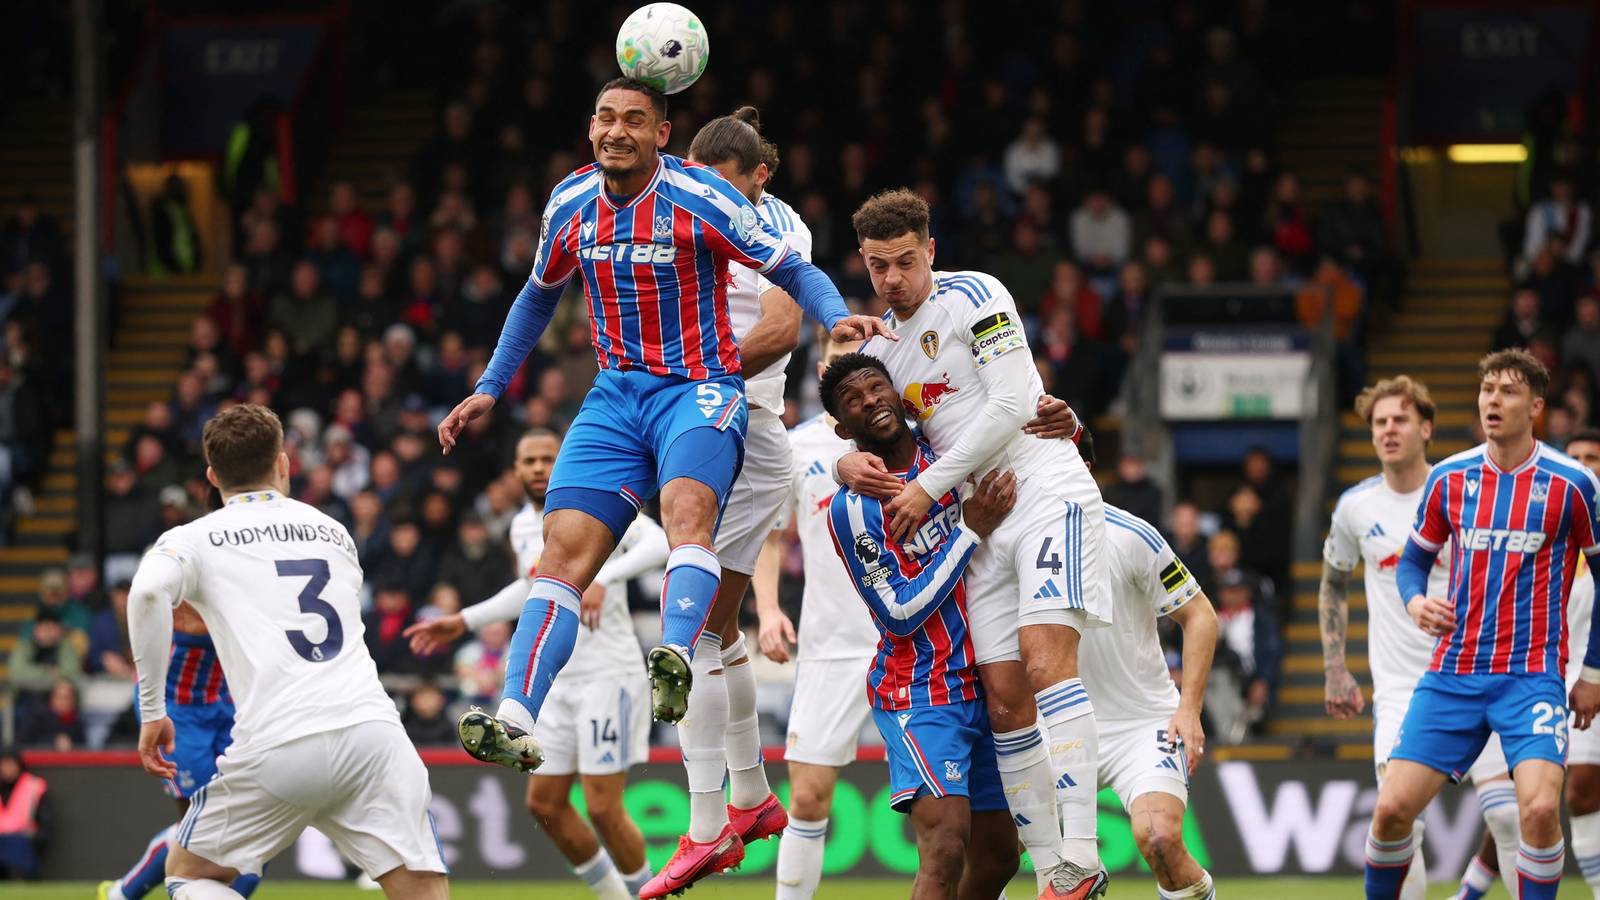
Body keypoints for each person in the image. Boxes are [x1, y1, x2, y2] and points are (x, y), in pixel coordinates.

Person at [436, 79, 888, 895]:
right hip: (616, 394)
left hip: (706, 390)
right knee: (559, 556)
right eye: (605, 117)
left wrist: (838, 318)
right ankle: (515, 717)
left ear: (663, 136)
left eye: (634, 120)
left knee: (692, 541)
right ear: (591, 128)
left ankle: (682, 699)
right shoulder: (570, 202)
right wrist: (491, 387)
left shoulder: (708, 199)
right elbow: (536, 297)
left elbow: (791, 276)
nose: (616, 131)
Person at [836, 188, 1109, 897]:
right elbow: (843, 425)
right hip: (978, 525)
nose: (892, 278)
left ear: (930, 251)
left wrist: (928, 489)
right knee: (1005, 696)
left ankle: (1080, 852)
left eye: (904, 261)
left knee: (1048, 664)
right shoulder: (874, 348)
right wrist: (836, 462)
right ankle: (1055, 872)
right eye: (877, 266)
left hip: (1039, 487)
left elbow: (1017, 403)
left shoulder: (975, 294)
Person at [127, 404, 447, 900]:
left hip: (280, 740)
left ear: (212, 476)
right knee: (423, 894)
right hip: (374, 735)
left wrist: (152, 712)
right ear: (283, 463)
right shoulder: (334, 531)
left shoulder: (192, 539)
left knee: (190, 874)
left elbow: (147, 595)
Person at [1364, 350, 1600, 900]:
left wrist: (1590, 672)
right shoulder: (1451, 477)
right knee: (1392, 810)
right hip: (1455, 672)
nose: (1493, 400)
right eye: (1487, 389)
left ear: (1535, 407)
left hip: (1532, 675)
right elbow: (1415, 561)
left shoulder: (1572, 483)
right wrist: (1416, 602)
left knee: (1539, 810)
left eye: (1508, 392)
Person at [405, 429, 667, 900]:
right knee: (545, 803)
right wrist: (464, 620)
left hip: (607, 675)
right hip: (555, 684)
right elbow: (531, 589)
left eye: (549, 457)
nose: (539, 467)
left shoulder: (603, 502)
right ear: (516, 471)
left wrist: (604, 574)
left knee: (604, 808)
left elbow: (661, 544)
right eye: (530, 460)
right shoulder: (522, 527)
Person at [662, 106, 814, 861]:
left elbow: (783, 329)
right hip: (707, 428)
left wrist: (689, 380)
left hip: (744, 430)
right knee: (717, 636)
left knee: (688, 635)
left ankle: (705, 825)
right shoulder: (689, 209)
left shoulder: (778, 229)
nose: (708, 198)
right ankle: (751, 797)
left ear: (760, 177)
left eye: (724, 185)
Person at [821, 352, 1021, 900]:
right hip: (920, 689)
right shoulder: (857, 505)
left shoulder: (949, 454)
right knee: (946, 844)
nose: (871, 401)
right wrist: (969, 531)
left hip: (989, 679)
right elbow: (899, 613)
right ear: (843, 429)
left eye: (877, 387)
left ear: (899, 393)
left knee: (1002, 856)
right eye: (853, 400)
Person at [1322, 375, 1525, 899]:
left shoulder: (1464, 493)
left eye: (1400, 420)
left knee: (1507, 817)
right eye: (1379, 423)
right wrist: (1335, 667)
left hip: (1479, 675)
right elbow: (1333, 582)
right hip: (1401, 690)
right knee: (1397, 820)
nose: (1388, 430)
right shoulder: (1354, 508)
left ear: (1426, 428)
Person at [753, 329, 879, 899]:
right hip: (831, 642)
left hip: (917, 640)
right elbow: (770, 537)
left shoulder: (916, 435)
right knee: (805, 797)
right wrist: (770, 609)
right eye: (835, 362)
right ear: (821, 371)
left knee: (948, 801)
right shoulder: (795, 446)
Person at [1074, 428, 1219, 900]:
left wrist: (1189, 708)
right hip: (1057, 730)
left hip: (1141, 723)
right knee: (986, 849)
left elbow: (1199, 617)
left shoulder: (1131, 534)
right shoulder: (1009, 537)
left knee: (1159, 839)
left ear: (1086, 468)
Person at [99, 605, 262, 900]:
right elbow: (205, 621)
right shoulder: (178, 584)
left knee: (249, 821)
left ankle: (122, 893)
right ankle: (122, 894)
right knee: (197, 824)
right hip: (175, 711)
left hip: (226, 705)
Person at [0, 748, 48, 880]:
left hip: (22, 842)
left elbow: (45, 824)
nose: (7, 769)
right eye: (3, 764)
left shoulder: (33, 786)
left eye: (10, 764)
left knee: (18, 848)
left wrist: (36, 837)